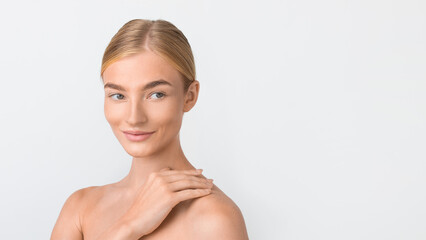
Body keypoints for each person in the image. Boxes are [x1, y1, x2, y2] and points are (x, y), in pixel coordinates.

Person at [50, 19, 249, 240]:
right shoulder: (79, 209)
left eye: (156, 94)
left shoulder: (215, 219)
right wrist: (128, 226)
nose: (134, 118)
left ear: (189, 96)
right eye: (118, 96)